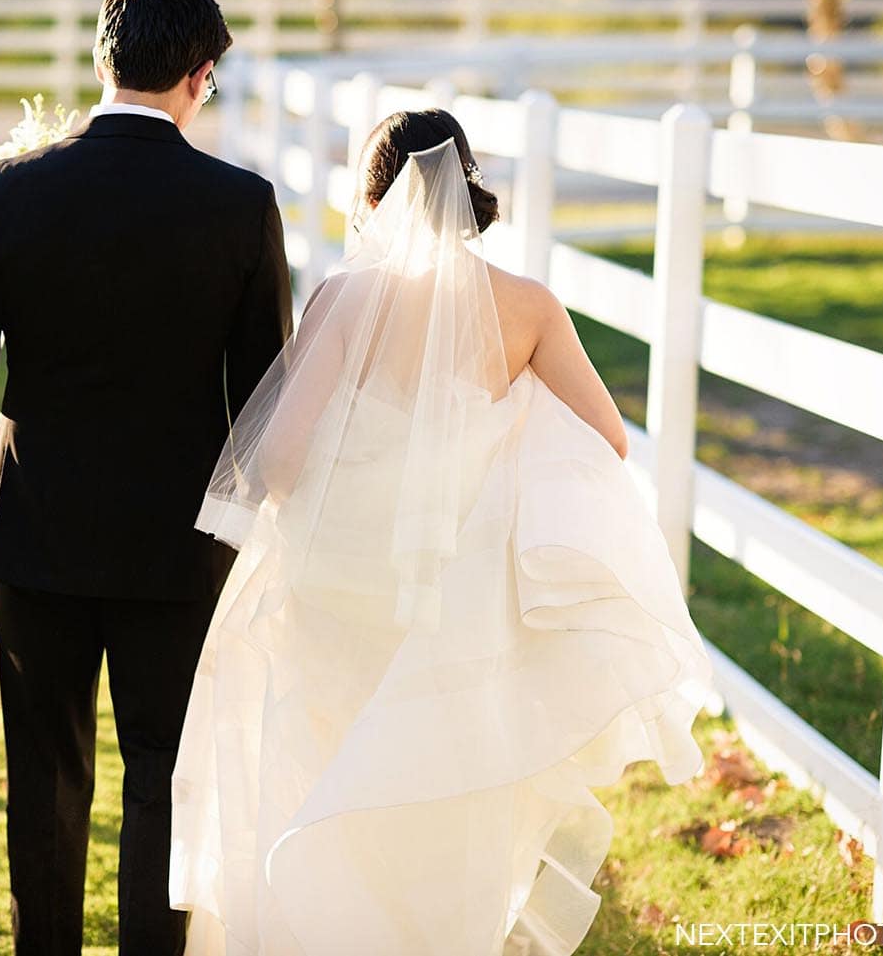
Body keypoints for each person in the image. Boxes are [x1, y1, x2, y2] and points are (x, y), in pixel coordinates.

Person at [169, 109, 713, 955]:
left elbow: (276, 460)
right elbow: (607, 438)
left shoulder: (345, 299)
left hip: (335, 591)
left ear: (375, 195)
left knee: (318, 777)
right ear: (469, 186)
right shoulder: (528, 308)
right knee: (441, 789)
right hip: (455, 601)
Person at [0, 0, 293, 956]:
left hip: (38, 531)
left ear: (101, 58)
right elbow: (266, 401)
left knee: (44, 772)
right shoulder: (240, 205)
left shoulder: (5, 188)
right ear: (200, 76)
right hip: (178, 546)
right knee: (164, 772)